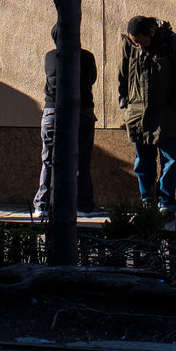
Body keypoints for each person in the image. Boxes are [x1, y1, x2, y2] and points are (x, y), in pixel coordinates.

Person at [116, 14, 176, 228]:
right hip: (138, 115)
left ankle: (166, 205)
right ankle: (147, 204)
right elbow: (122, 76)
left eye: (142, 42)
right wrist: (125, 104)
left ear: (151, 31)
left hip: (167, 116)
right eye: (135, 43)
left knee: (169, 162)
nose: (139, 47)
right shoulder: (129, 46)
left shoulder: (172, 44)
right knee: (143, 162)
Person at [33, 24, 98, 221]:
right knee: (82, 159)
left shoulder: (50, 57)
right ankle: (82, 205)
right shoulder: (87, 57)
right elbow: (92, 79)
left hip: (52, 111)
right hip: (82, 110)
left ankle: (42, 204)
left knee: (48, 159)